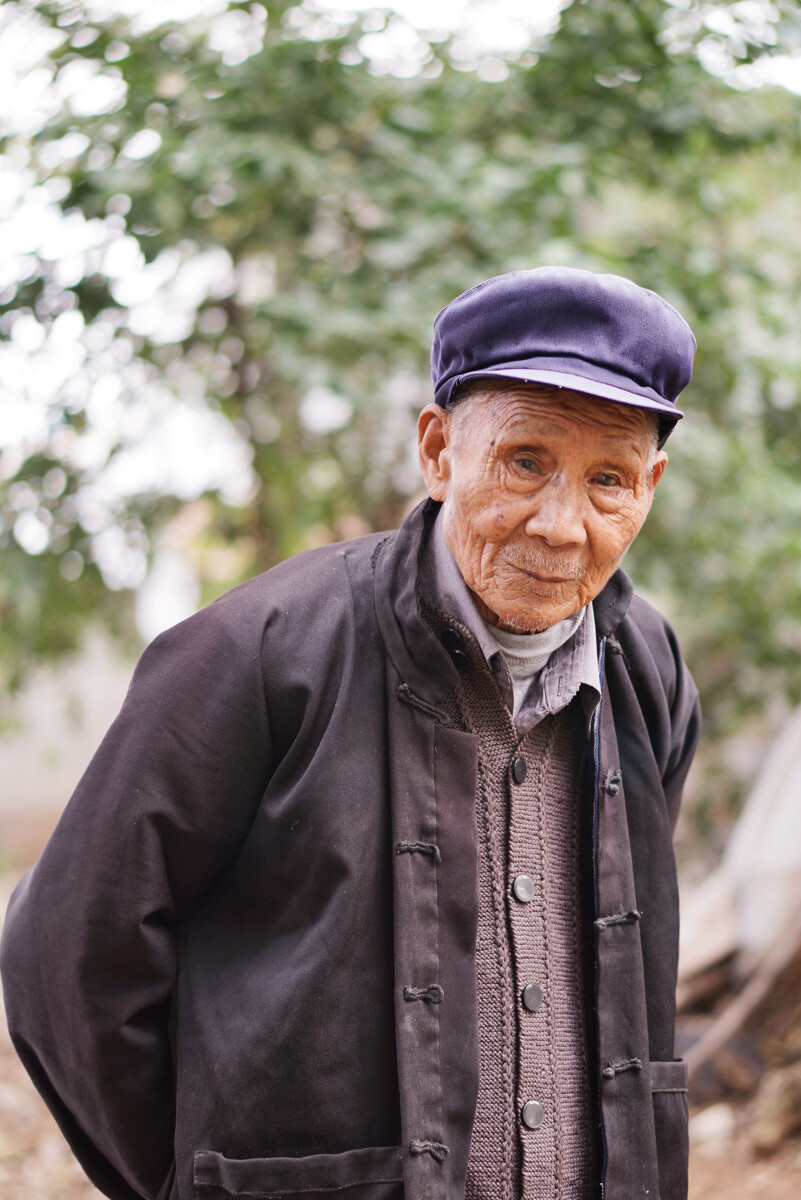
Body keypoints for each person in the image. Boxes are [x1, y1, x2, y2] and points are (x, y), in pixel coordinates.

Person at [1, 267, 701, 1200]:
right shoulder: (256, 653)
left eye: (606, 480)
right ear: (438, 449)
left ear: (648, 486)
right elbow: (69, 957)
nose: (560, 525)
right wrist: (193, 1180)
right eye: (526, 460)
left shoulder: (645, 666)